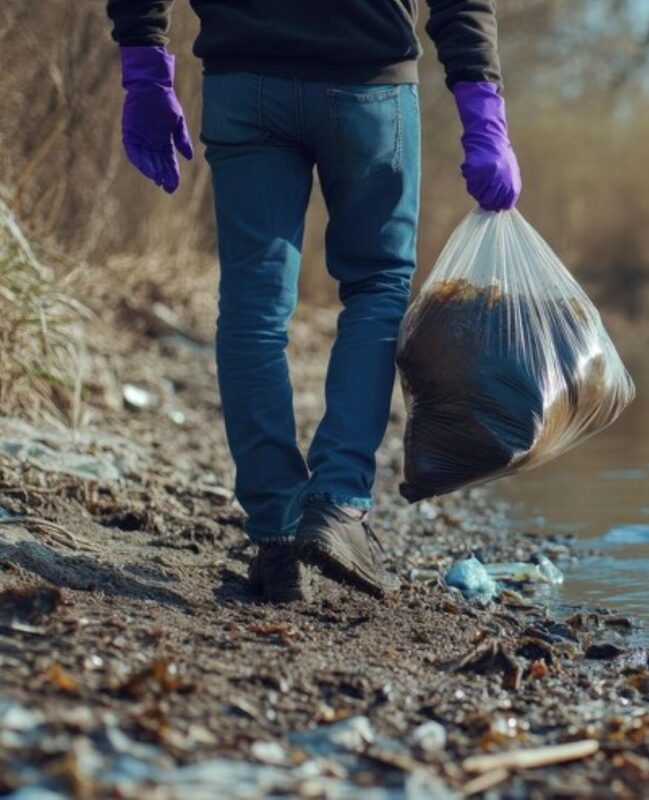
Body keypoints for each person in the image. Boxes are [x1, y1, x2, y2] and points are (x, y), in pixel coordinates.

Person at [105, 1, 521, 603]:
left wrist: (144, 61)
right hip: (368, 82)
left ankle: (275, 536)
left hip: (244, 77)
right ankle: (337, 502)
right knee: (377, 288)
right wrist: (483, 112)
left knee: (252, 307)